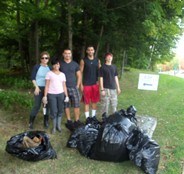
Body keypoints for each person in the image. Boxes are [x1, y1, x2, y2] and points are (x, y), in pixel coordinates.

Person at [42, 58, 69, 134]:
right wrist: (45, 96)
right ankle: (54, 127)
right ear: (52, 65)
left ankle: (58, 126)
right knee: (54, 111)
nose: (56, 65)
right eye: (54, 64)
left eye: (57, 64)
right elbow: (47, 85)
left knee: (60, 110)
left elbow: (64, 86)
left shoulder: (62, 74)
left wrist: (66, 96)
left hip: (61, 94)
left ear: (59, 65)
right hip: (51, 95)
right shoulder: (49, 74)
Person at [60, 48, 83, 131]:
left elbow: (79, 75)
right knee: (66, 105)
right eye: (66, 53)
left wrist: (77, 85)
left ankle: (77, 121)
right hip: (63, 88)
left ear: (71, 54)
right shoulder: (60, 64)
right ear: (63, 54)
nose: (67, 55)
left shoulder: (75, 64)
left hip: (73, 87)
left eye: (69, 53)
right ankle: (69, 120)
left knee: (76, 104)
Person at [29, 51, 51, 129]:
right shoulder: (36, 67)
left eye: (46, 58)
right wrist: (36, 87)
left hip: (47, 89)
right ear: (40, 59)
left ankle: (46, 121)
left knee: (46, 105)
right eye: (43, 58)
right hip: (38, 88)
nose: (44, 59)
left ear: (48, 59)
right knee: (37, 106)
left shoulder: (50, 68)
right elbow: (33, 78)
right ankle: (31, 122)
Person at [80, 45, 101, 124]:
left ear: (94, 51)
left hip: (95, 84)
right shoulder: (83, 60)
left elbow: (100, 71)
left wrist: (99, 82)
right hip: (86, 84)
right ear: (86, 51)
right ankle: (88, 119)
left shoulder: (97, 60)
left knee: (94, 101)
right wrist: (81, 84)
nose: (90, 51)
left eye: (92, 50)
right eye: (89, 50)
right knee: (87, 102)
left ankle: (93, 117)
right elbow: (80, 73)